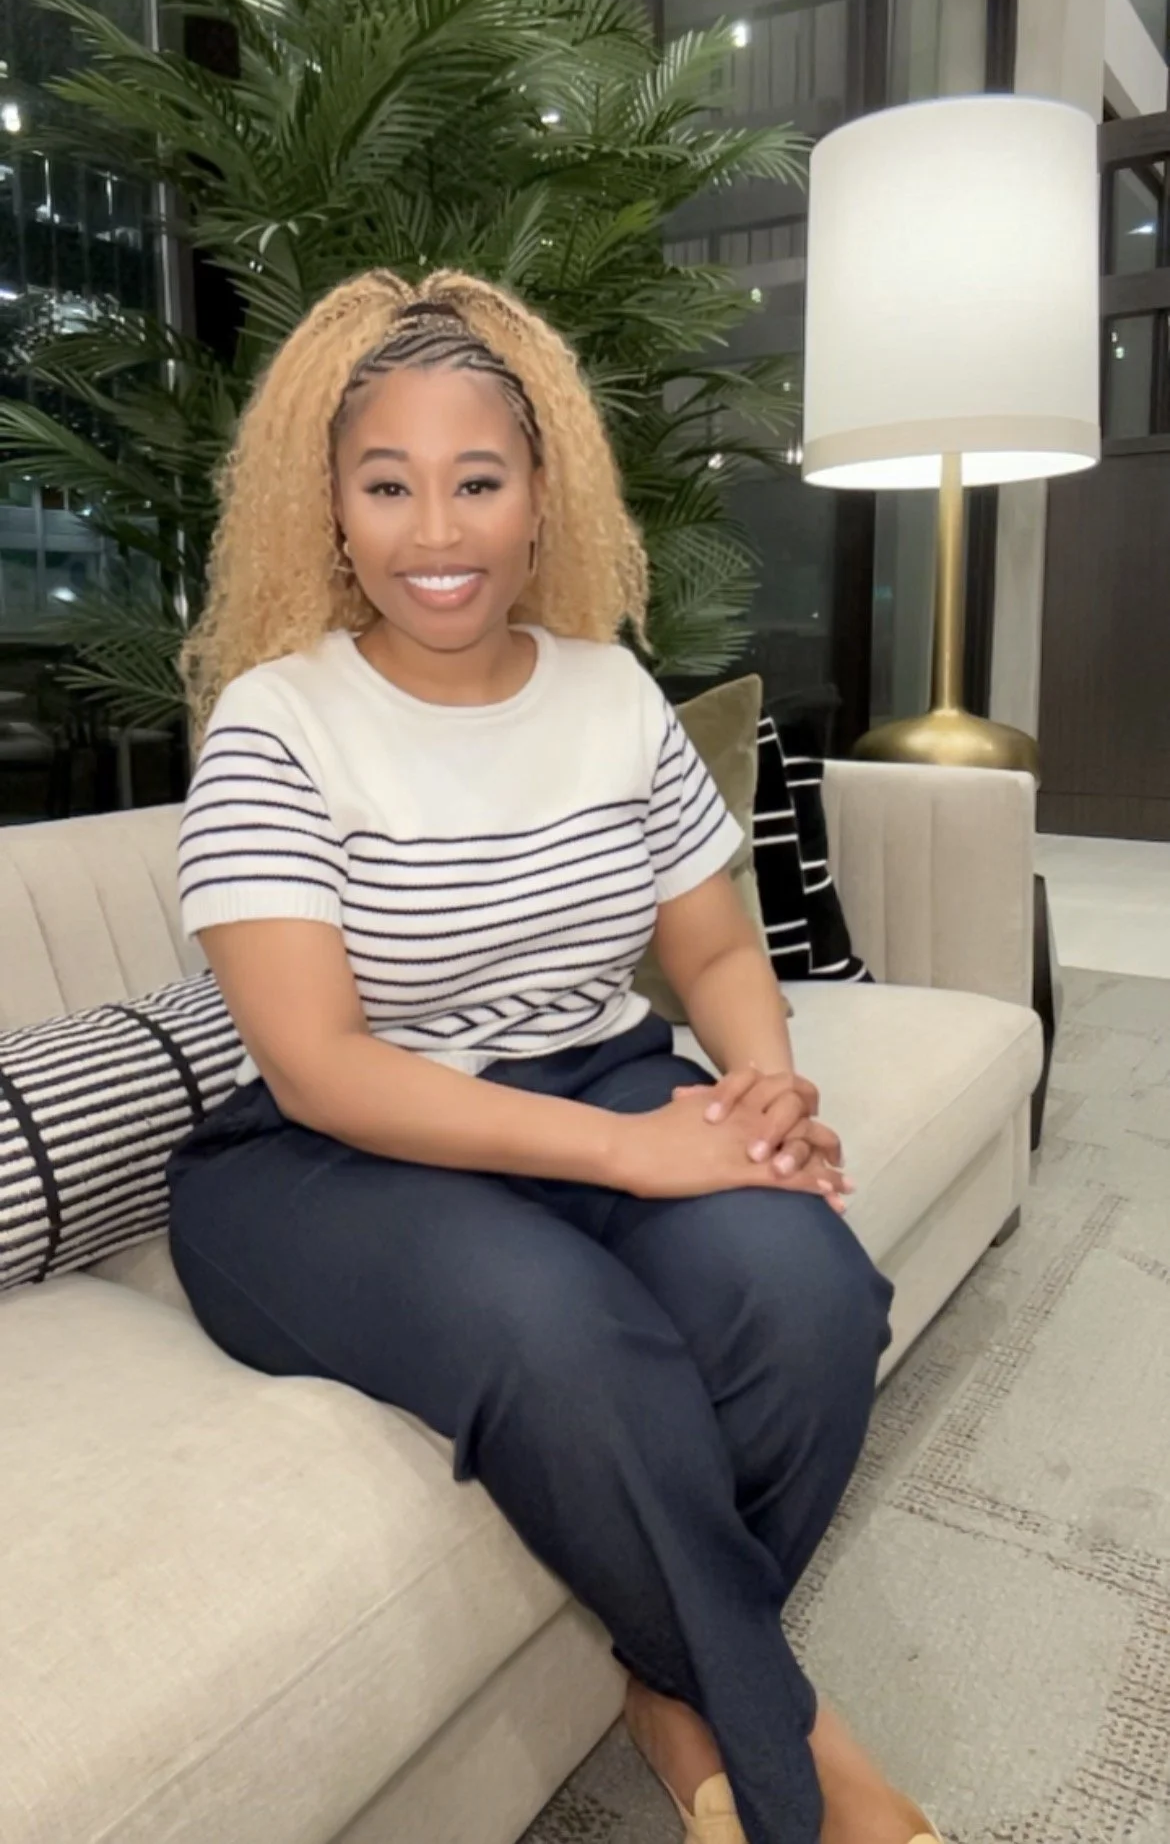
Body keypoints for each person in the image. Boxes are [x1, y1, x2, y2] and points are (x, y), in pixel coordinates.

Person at [166, 269, 943, 1844]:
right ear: (326, 507)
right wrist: (633, 1149)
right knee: (573, 1337)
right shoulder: (276, 719)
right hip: (326, 1154)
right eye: (386, 484)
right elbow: (314, 1060)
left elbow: (716, 944)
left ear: (541, 497)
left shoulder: (607, 693)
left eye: (476, 481)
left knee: (808, 1297)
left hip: (593, 1075)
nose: (434, 533)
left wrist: (759, 1080)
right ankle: (801, 1773)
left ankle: (672, 1684)